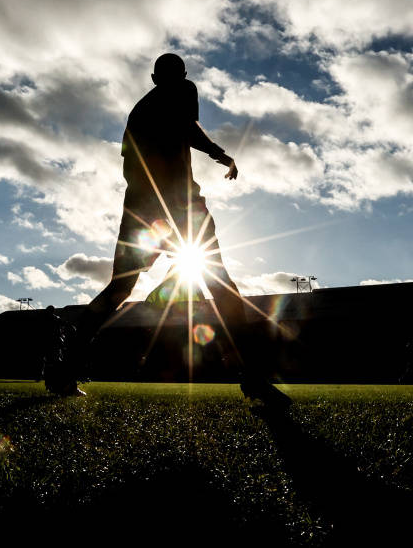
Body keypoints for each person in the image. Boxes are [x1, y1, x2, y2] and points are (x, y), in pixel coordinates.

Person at [46, 53, 290, 409]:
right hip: (178, 205)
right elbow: (187, 126)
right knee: (220, 284)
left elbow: (132, 164)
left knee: (120, 287)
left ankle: (66, 369)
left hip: (143, 209)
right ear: (180, 75)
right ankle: (254, 377)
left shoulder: (138, 112)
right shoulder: (184, 89)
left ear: (153, 77)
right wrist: (217, 154)